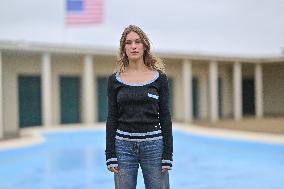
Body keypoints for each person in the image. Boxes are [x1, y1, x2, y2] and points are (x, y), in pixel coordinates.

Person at [105, 25, 173, 189]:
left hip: (154, 147)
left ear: (145, 46)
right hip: (123, 148)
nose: (133, 46)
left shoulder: (159, 79)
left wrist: (167, 154)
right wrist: (110, 154)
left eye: (137, 42)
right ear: (124, 48)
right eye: (128, 43)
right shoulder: (114, 80)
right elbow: (112, 118)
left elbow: (165, 116)